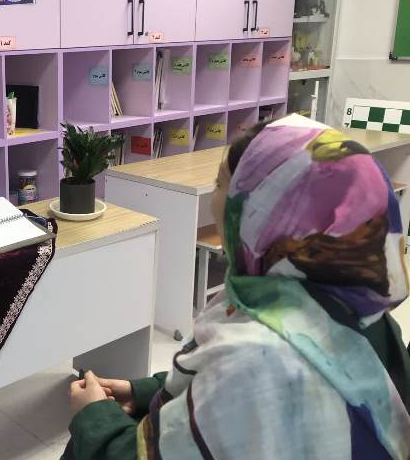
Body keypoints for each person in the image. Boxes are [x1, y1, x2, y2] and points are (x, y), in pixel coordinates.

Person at [64, 115, 410, 459]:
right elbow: (218, 385)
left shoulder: (255, 357)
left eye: (220, 184)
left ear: (261, 211)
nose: (214, 200)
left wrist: (93, 414)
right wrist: (142, 391)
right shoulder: (365, 316)